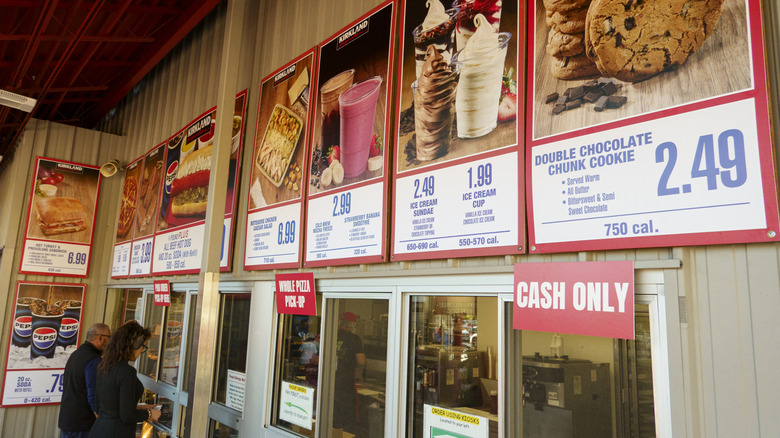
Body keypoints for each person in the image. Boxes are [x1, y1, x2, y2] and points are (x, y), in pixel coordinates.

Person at [88, 321, 161, 438]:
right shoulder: (127, 371)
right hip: (117, 432)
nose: (142, 350)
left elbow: (101, 405)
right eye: (143, 346)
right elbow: (127, 416)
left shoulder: (104, 365)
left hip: (98, 429)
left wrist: (139, 408)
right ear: (133, 345)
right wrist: (150, 413)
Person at [58, 323, 112, 438]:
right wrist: (101, 419)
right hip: (82, 425)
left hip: (69, 421)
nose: (110, 341)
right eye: (109, 337)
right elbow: (93, 394)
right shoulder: (93, 360)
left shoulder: (76, 354)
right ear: (100, 338)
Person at [332, 312, 366, 437]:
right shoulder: (354, 338)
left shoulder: (332, 335)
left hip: (331, 383)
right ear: (352, 325)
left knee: (334, 418)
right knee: (347, 419)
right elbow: (361, 361)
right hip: (346, 386)